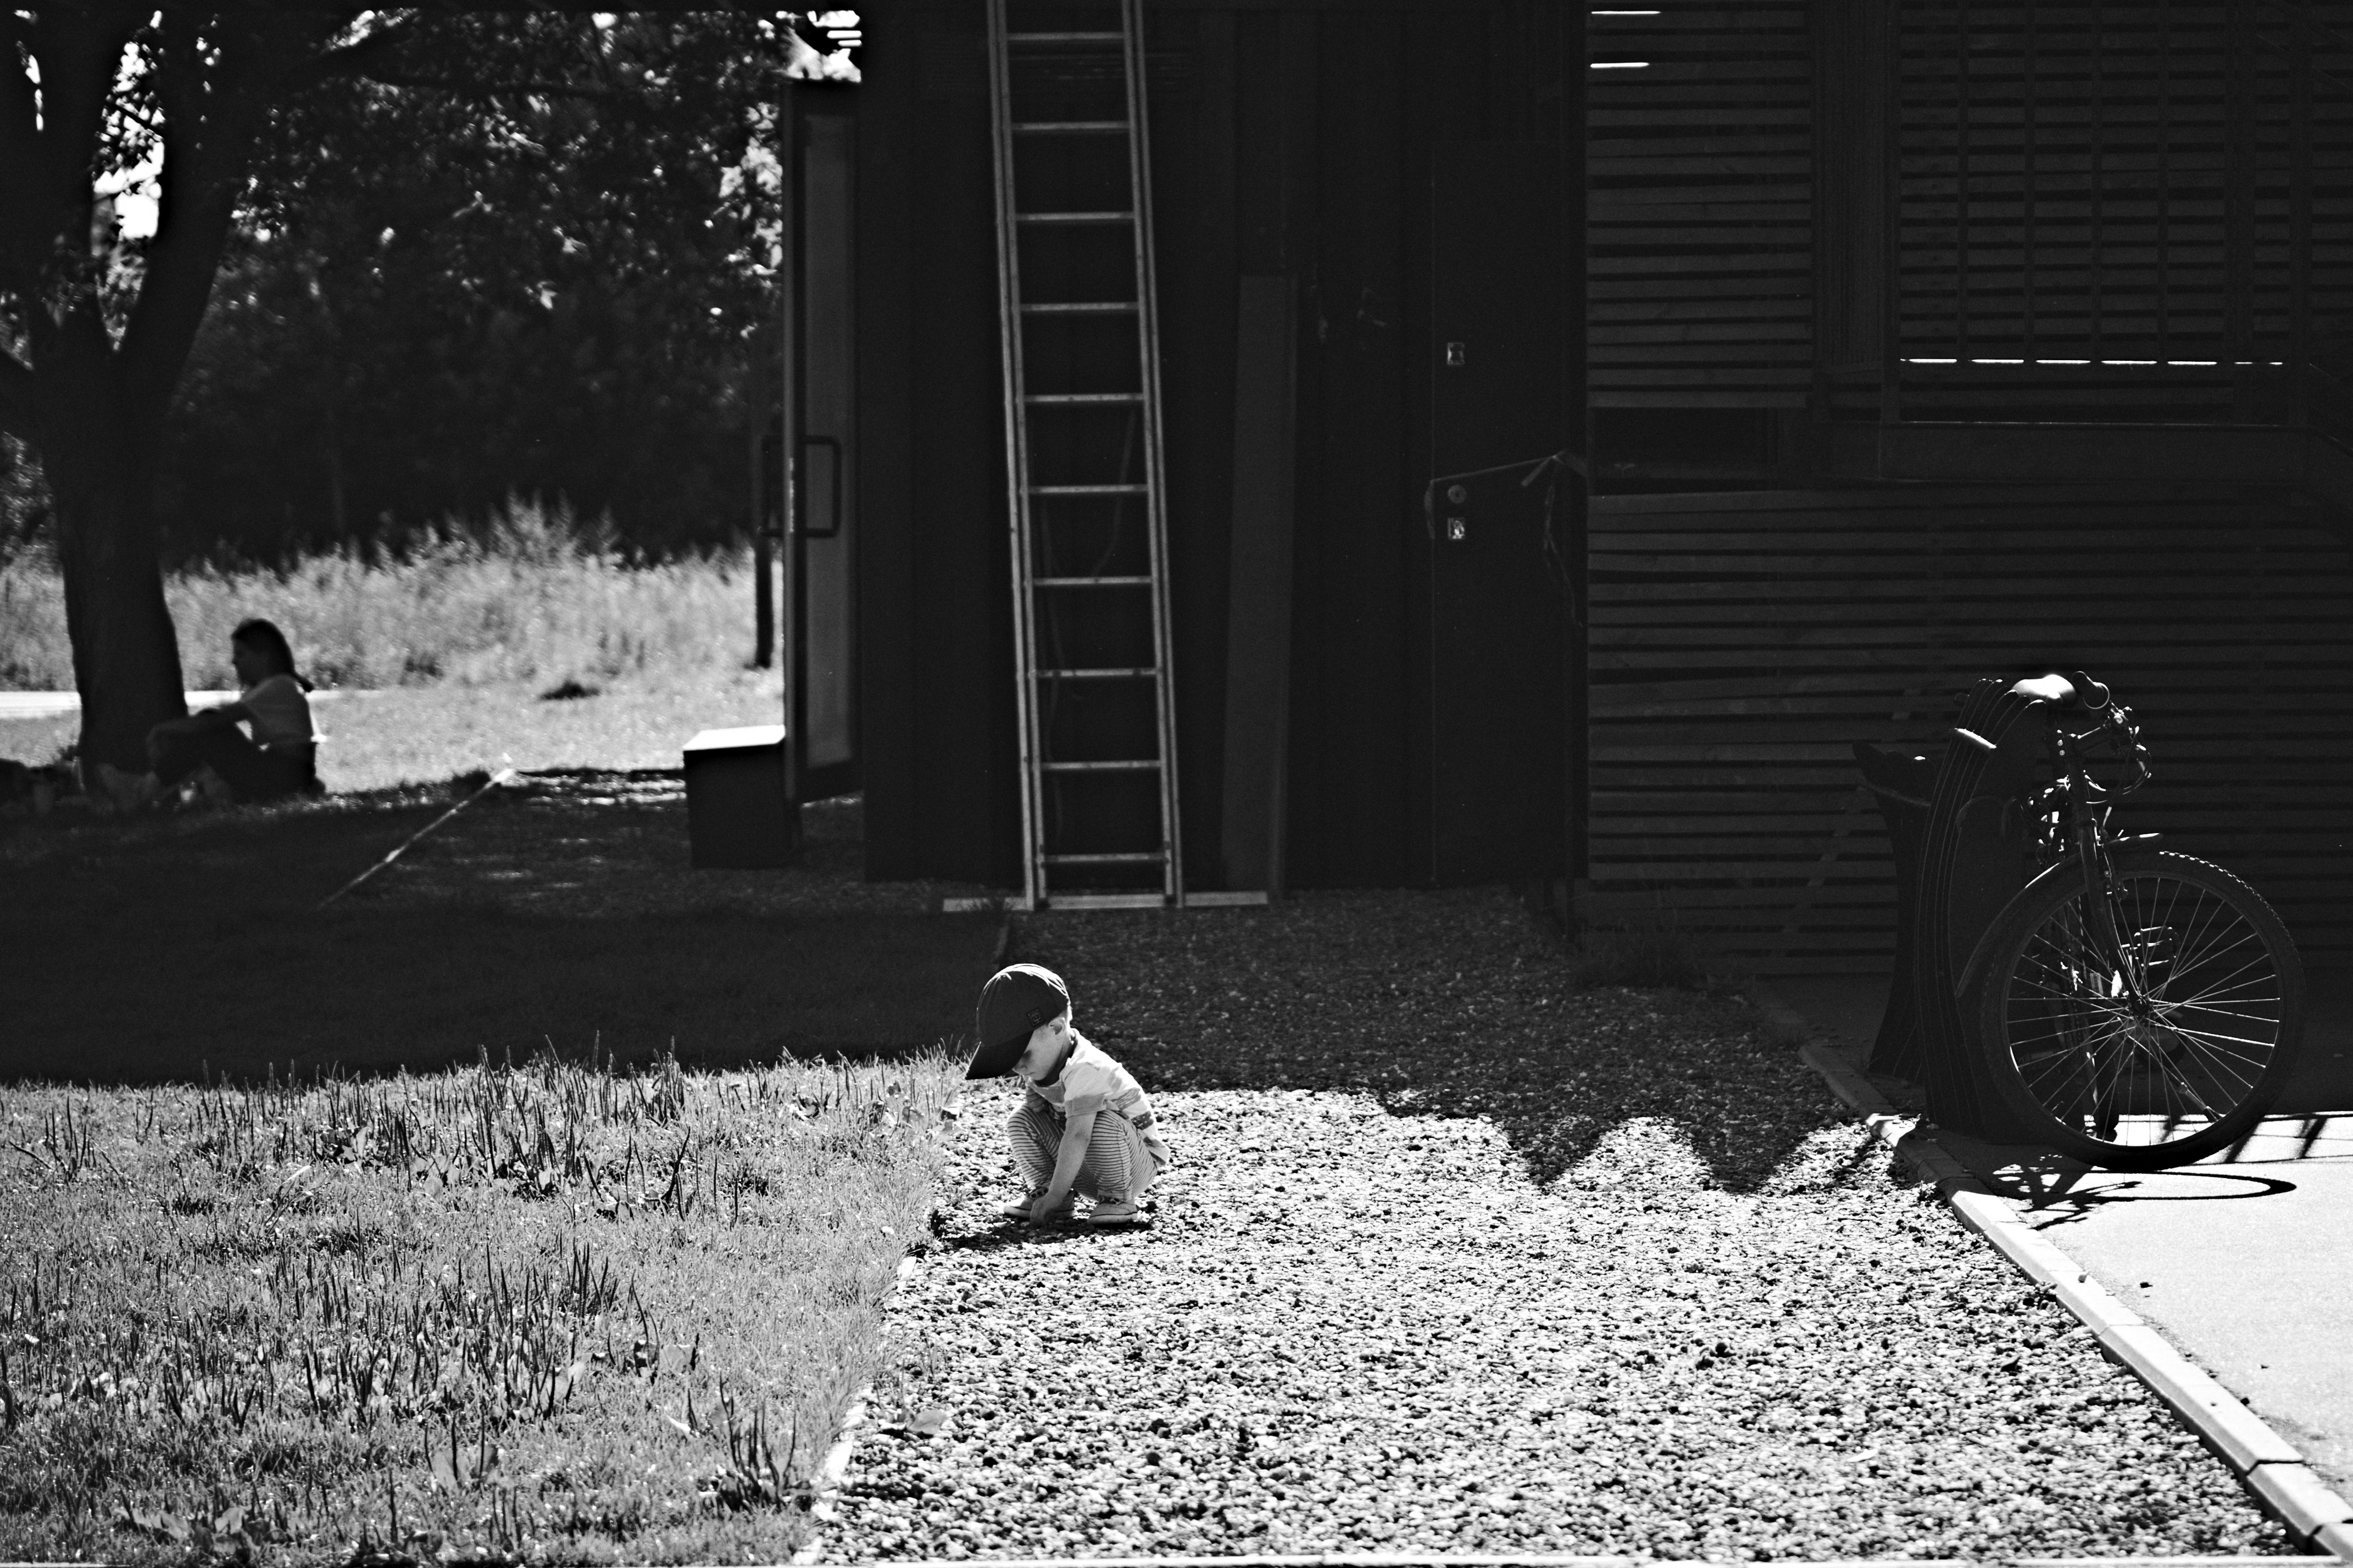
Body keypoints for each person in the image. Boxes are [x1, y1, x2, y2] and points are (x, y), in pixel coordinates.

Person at [966, 962, 1169, 1227]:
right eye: (1009, 1059)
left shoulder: (1085, 1068)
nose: (1018, 1067)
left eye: (1022, 1055)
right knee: (1021, 1119)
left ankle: (1119, 1199)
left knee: (1101, 1121)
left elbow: (1078, 1135)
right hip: (1090, 1165)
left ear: (1057, 1029)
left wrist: (1055, 1195)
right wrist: (1039, 1099)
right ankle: (1050, 1194)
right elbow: (1052, 1112)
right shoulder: (1047, 1059)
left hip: (1133, 1164)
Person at [100, 618, 320, 808]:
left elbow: (217, 721)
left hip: (283, 776)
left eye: (241, 654)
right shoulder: (277, 686)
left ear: (264, 656)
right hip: (287, 774)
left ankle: (139, 792)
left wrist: (164, 728)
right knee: (209, 724)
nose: (234, 661)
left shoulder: (278, 686)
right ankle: (151, 788)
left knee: (211, 728)